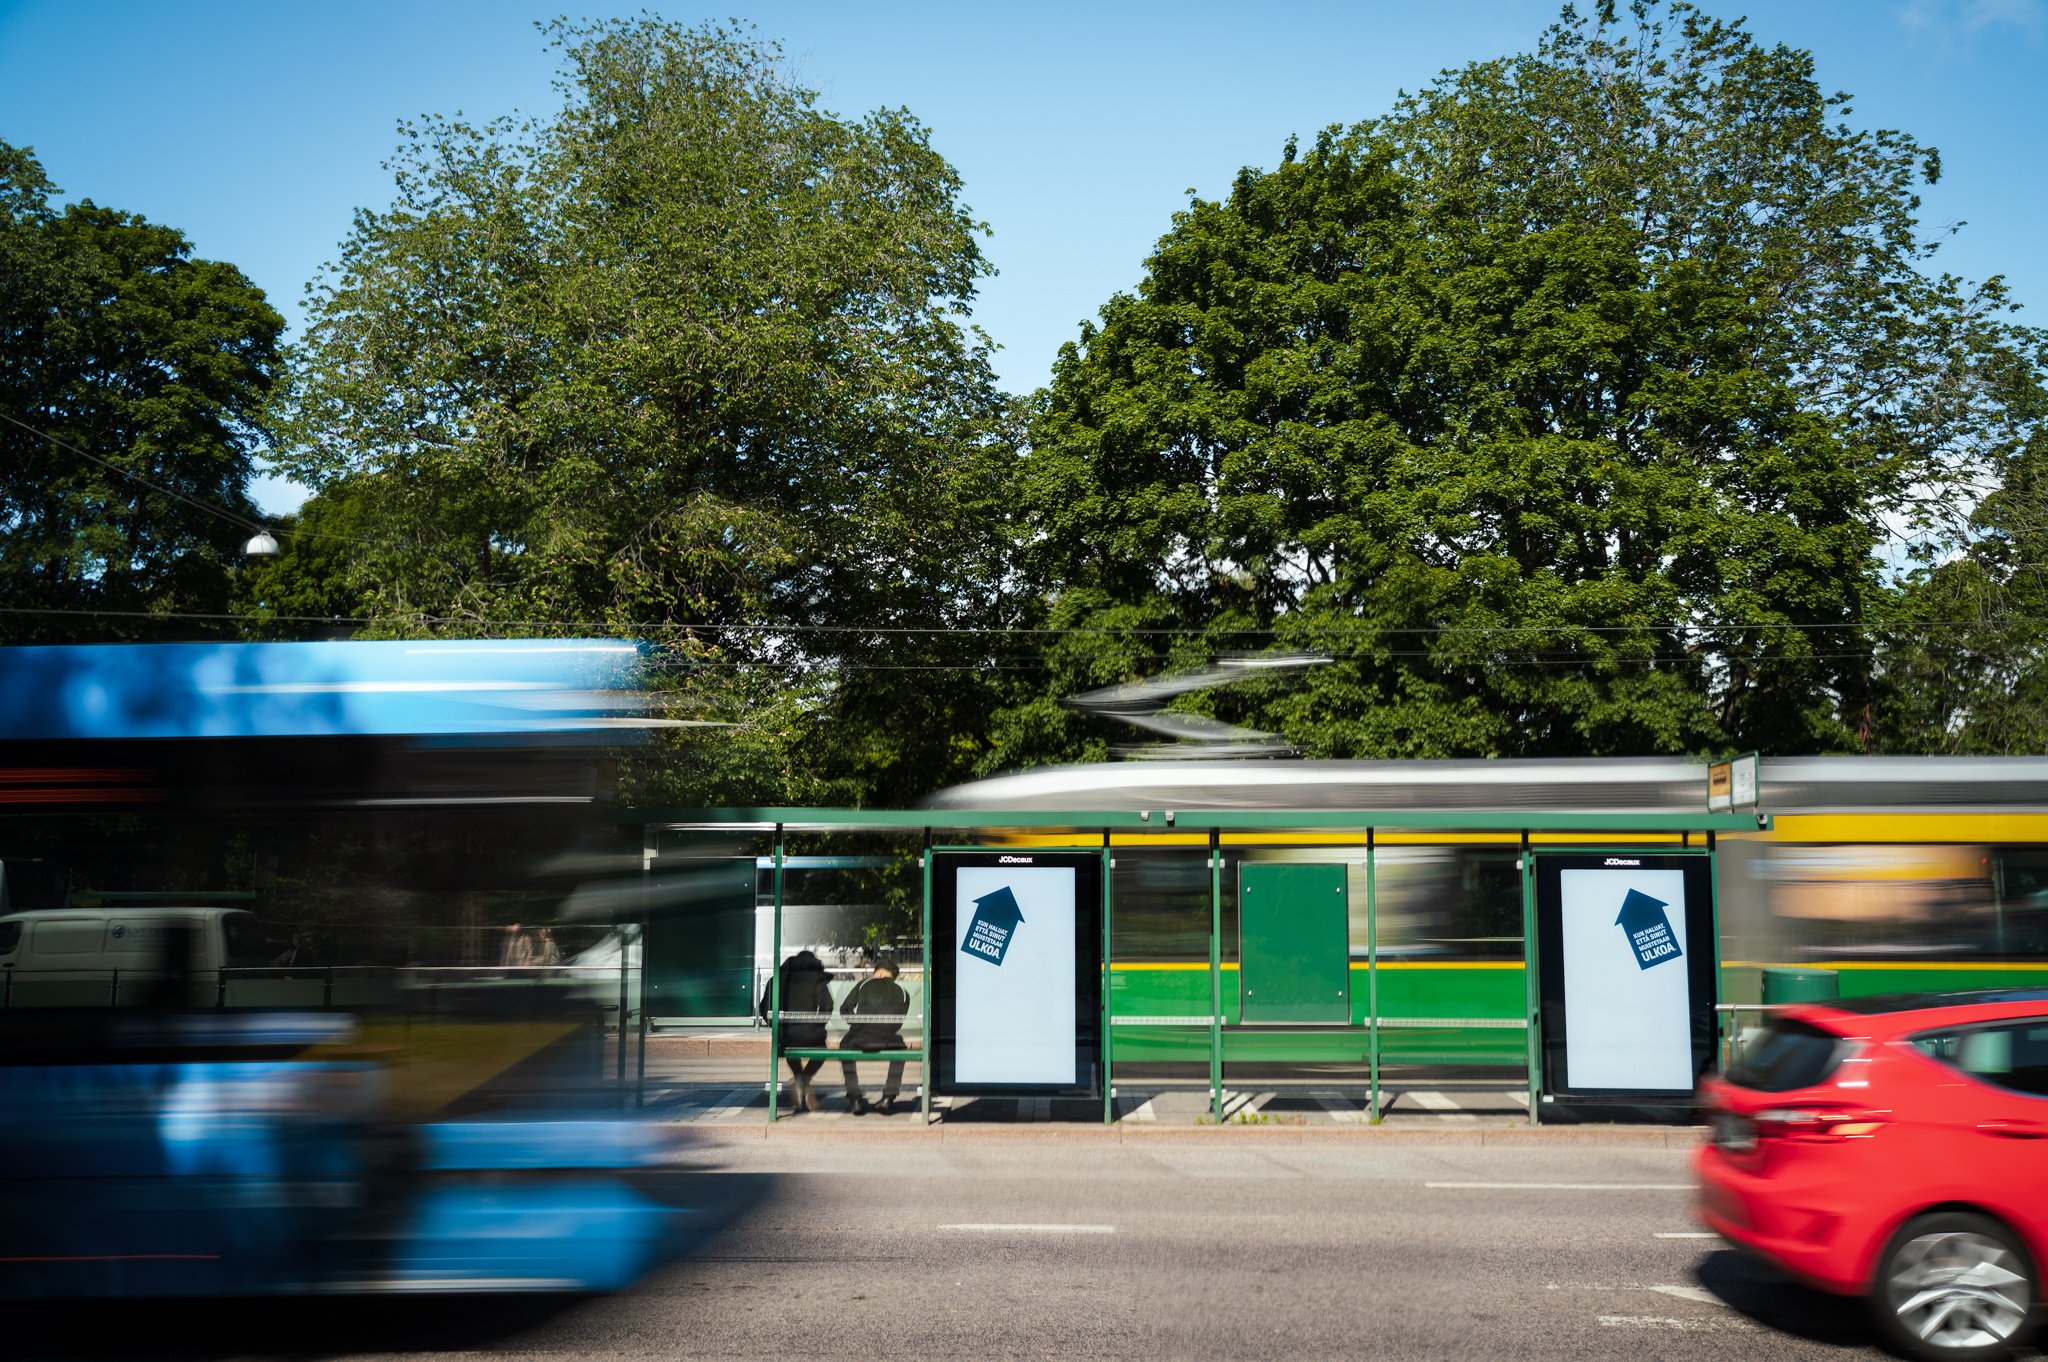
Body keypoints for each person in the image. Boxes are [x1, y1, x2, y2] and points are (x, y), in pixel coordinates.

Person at [758, 949, 831, 1112]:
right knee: (822, 1050)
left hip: (785, 1035)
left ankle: (799, 1079)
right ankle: (804, 1080)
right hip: (812, 1034)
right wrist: (818, 1024)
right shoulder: (817, 978)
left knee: (789, 1046)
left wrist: (775, 1026)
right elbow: (828, 1005)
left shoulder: (777, 979)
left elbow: (764, 1008)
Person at [839, 957, 910, 1115]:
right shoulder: (903, 993)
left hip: (860, 1038)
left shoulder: (863, 984)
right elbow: (898, 1023)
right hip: (888, 1040)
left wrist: (858, 1024)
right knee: (902, 1049)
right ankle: (888, 1097)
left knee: (844, 1045)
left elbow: (845, 1009)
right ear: (892, 976)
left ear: (877, 973)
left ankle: (855, 1098)